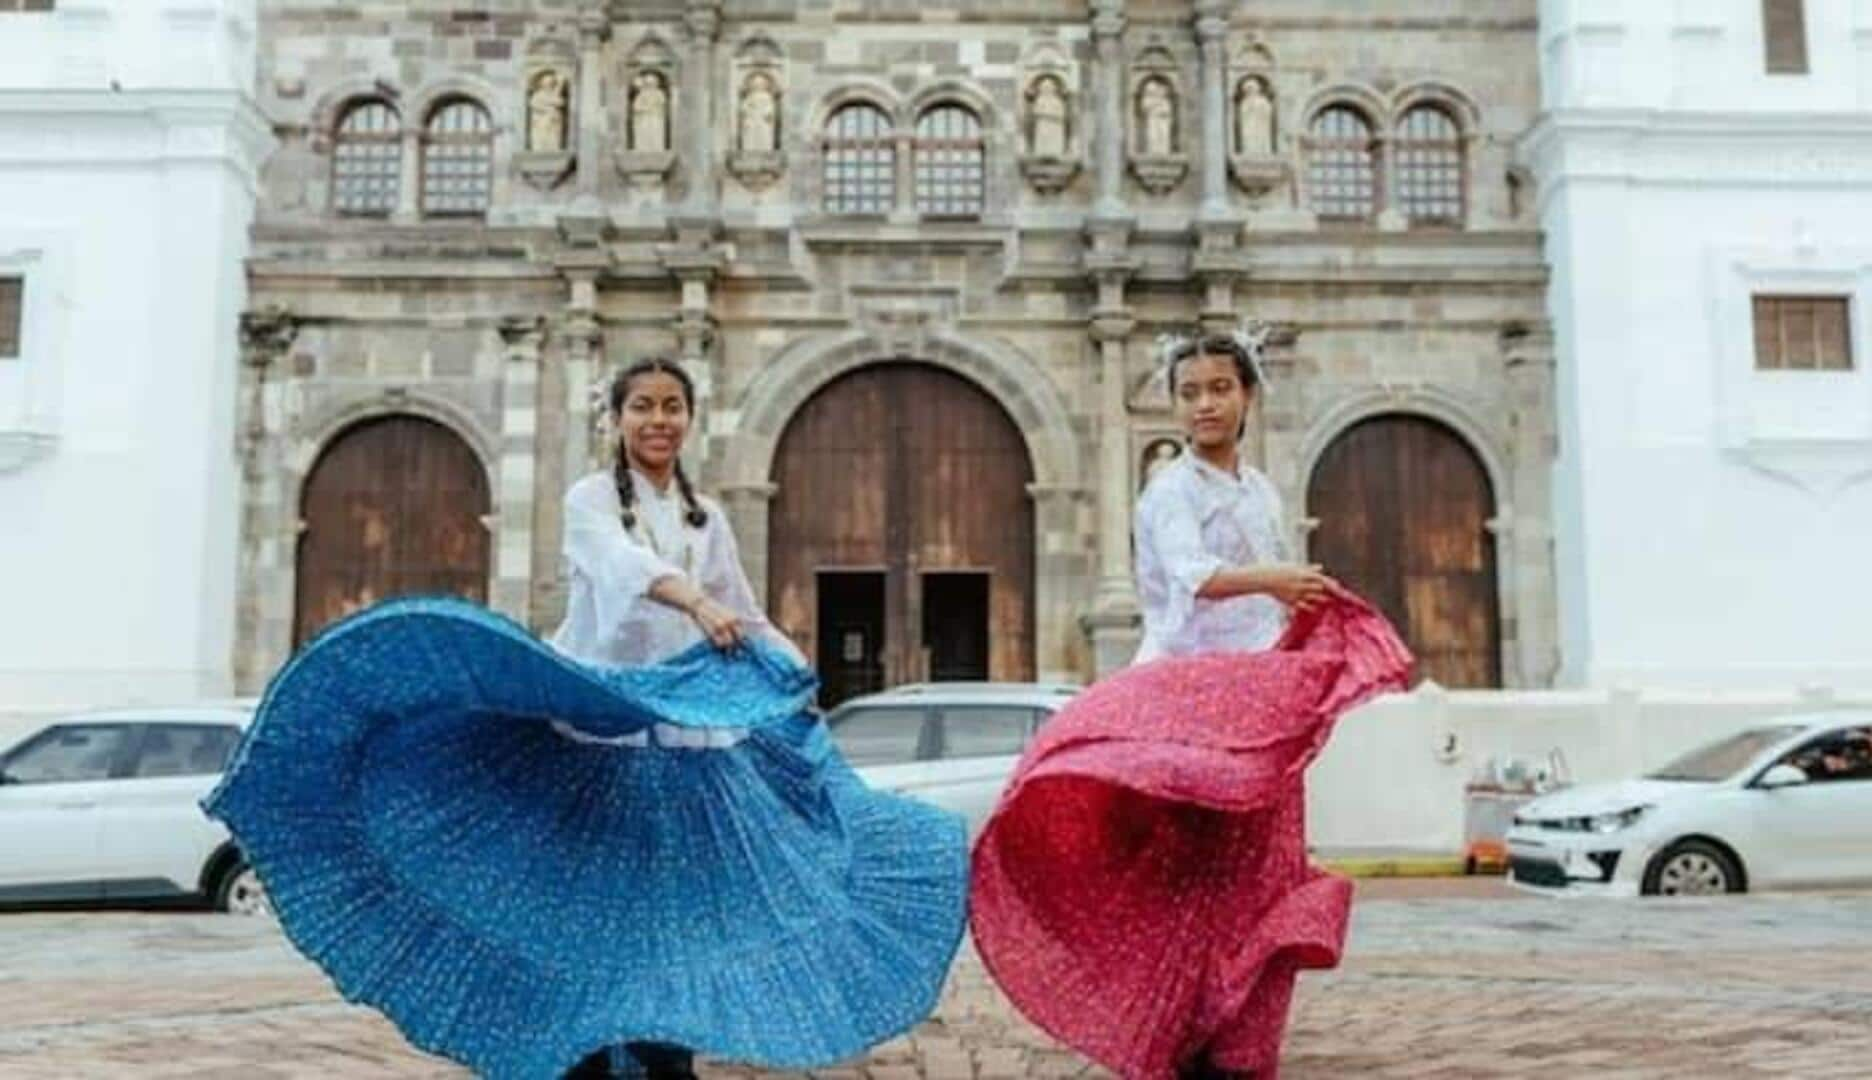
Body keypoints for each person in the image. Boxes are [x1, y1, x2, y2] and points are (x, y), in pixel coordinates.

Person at [206, 358, 968, 1080]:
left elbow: (742, 608)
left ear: (691, 420)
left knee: (676, 917)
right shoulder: (589, 501)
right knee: (580, 908)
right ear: (618, 417)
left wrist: (790, 666)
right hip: (590, 740)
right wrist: (694, 603)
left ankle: (668, 1051)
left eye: (672, 407)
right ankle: (583, 1050)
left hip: (686, 753)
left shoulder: (707, 518)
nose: (658, 420)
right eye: (643, 406)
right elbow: (619, 567)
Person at [969, 326, 1414, 1080]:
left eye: (1218, 389)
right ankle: (1172, 1019)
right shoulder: (1169, 487)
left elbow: (1264, 596)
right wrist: (1275, 578)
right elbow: (1191, 574)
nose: (1204, 405)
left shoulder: (1262, 489)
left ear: (1247, 396)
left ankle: (1231, 1026)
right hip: (1186, 692)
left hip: (1252, 695)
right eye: (1189, 393)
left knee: (1253, 868)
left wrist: (1299, 617)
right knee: (1185, 870)